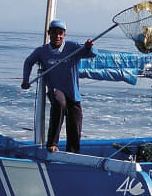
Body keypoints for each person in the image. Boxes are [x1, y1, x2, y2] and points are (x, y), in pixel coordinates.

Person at [21, 19, 97, 153]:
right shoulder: (41, 51)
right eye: (54, 33)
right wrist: (25, 80)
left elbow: (92, 54)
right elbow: (28, 62)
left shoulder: (72, 47)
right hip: (55, 90)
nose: (57, 36)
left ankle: (72, 153)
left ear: (64, 35)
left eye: (60, 33)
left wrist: (90, 47)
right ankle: (52, 143)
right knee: (59, 102)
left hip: (73, 93)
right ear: (49, 33)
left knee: (76, 120)